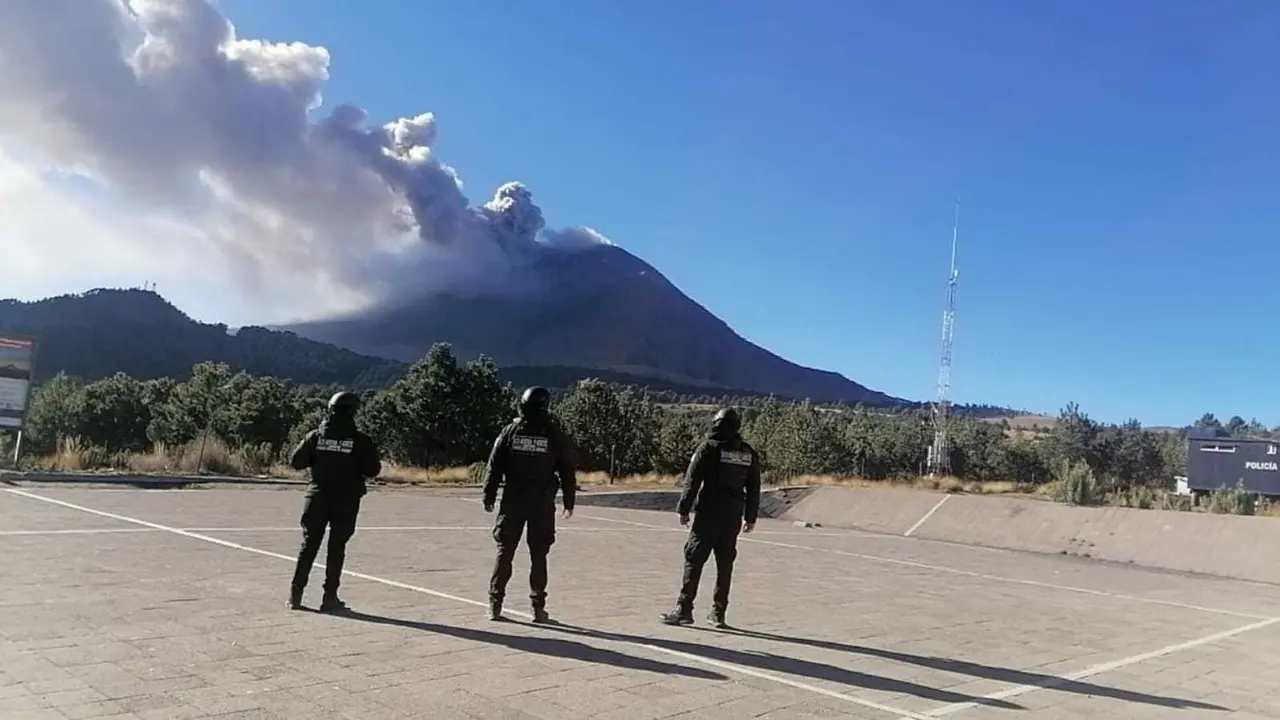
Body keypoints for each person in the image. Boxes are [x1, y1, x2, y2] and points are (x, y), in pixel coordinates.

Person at [482, 386, 577, 623]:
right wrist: (569, 501)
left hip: (513, 502)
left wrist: (489, 494)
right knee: (539, 555)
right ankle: (538, 607)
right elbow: (567, 469)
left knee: (505, 553)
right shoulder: (554, 435)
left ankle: (495, 604)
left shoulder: (510, 432)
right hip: (541, 504)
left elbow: (494, 466)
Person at [660, 407, 761, 628]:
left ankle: (684, 609)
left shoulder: (708, 448)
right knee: (725, 565)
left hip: (709, 514)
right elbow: (754, 487)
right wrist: (750, 516)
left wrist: (683, 508)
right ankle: (718, 612)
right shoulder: (747, 452)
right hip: (732, 516)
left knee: (694, 560)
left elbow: (692, 480)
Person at [286, 391, 382, 613]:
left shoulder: (316, 436)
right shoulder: (359, 440)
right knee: (336, 547)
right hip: (346, 500)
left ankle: (295, 595)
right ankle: (329, 597)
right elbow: (373, 469)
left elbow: (296, 462)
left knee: (308, 545)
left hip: (317, 496)